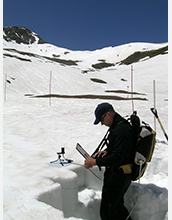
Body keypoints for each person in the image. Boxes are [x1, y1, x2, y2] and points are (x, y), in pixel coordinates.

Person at [84, 102, 134, 220]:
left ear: (108, 114)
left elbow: (117, 157)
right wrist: (107, 151)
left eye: (102, 120)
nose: (102, 124)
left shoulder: (122, 129)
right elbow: (119, 148)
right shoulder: (116, 126)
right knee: (115, 208)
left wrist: (95, 162)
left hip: (120, 176)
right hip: (115, 175)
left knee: (110, 212)